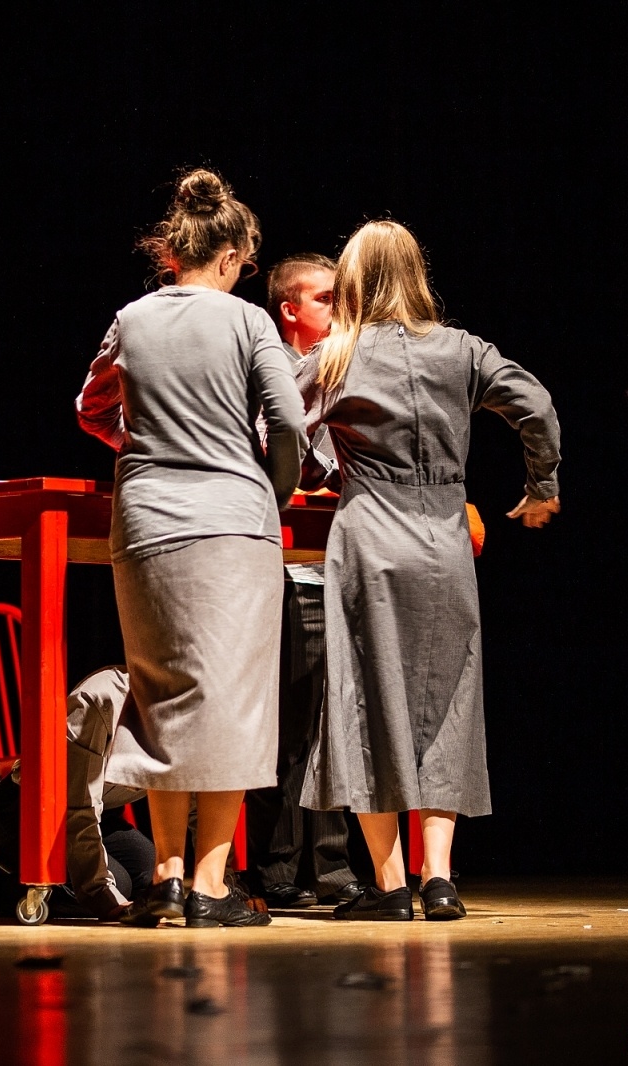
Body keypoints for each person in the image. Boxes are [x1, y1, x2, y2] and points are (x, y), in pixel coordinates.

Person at [297, 219, 561, 921]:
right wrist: (542, 487)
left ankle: (387, 886)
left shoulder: (335, 355)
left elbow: (276, 425)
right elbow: (535, 405)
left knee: (366, 700)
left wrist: (314, 468)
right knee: (446, 697)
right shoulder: (462, 350)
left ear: (353, 281)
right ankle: (438, 877)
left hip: (371, 540)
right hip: (445, 541)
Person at [77, 168, 305, 928]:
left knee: (164, 695)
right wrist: (267, 491)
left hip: (145, 524)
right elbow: (289, 423)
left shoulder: (132, 318)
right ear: (235, 253)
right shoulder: (247, 322)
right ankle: (212, 884)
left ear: (173, 248)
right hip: (230, 524)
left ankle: (165, 880)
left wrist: (142, 442)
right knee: (233, 701)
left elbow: (91, 407)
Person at [241, 255, 364, 910]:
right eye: (326, 299)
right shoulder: (271, 376)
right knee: (290, 726)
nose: (340, 309)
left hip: (341, 569)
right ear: (290, 309)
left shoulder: (350, 373)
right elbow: (294, 468)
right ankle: (281, 871)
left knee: (337, 722)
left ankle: (333, 867)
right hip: (285, 573)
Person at [0, 666, 156, 921]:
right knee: (115, 884)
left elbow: (196, 801)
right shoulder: (102, 700)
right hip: (22, 815)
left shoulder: (188, 712)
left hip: (101, 818)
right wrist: (98, 891)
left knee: (145, 867)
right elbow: (78, 806)